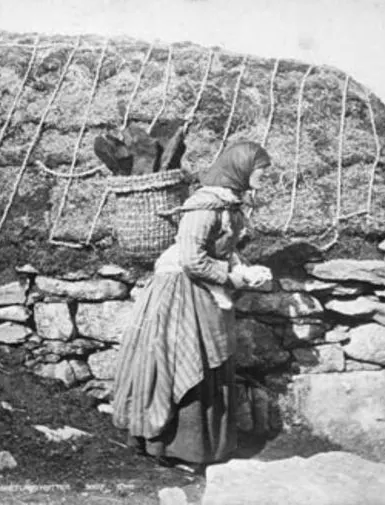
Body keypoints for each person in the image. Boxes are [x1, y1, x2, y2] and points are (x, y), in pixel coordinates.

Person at [111, 140, 273, 473]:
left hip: (207, 290)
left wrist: (242, 268)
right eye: (261, 171)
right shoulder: (203, 208)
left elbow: (220, 251)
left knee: (212, 359)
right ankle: (173, 447)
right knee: (187, 358)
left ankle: (207, 447)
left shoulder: (230, 204)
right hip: (182, 292)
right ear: (240, 169)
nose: (263, 178)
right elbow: (191, 258)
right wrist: (234, 279)